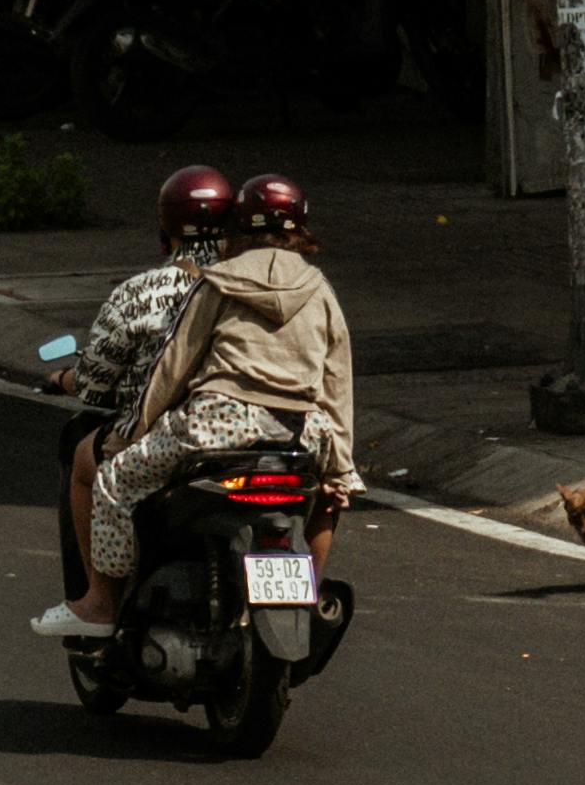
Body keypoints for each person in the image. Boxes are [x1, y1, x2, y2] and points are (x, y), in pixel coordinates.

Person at [36, 170, 356, 639]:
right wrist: (341, 468)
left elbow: (174, 365)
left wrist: (130, 435)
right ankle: (303, 600)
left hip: (215, 425)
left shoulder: (218, 282)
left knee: (111, 482)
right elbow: (337, 381)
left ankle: (102, 603)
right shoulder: (319, 289)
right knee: (327, 497)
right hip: (300, 429)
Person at [42, 171, 229, 611]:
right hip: (269, 431)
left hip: (175, 435)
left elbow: (94, 386)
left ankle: (95, 601)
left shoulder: (141, 294)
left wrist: (66, 379)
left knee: (84, 456)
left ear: (165, 236)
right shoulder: (258, 291)